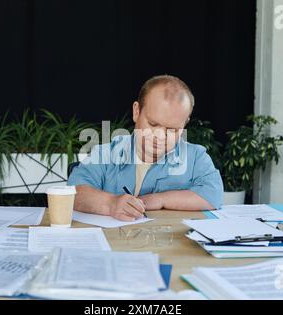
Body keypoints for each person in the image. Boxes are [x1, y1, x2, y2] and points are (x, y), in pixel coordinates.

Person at [68, 75, 223, 221]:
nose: (159, 136)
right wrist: (111, 203)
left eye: (172, 130)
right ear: (137, 111)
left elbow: (213, 195)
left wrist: (160, 199)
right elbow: (74, 192)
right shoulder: (104, 154)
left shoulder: (196, 157)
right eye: (153, 124)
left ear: (184, 124)